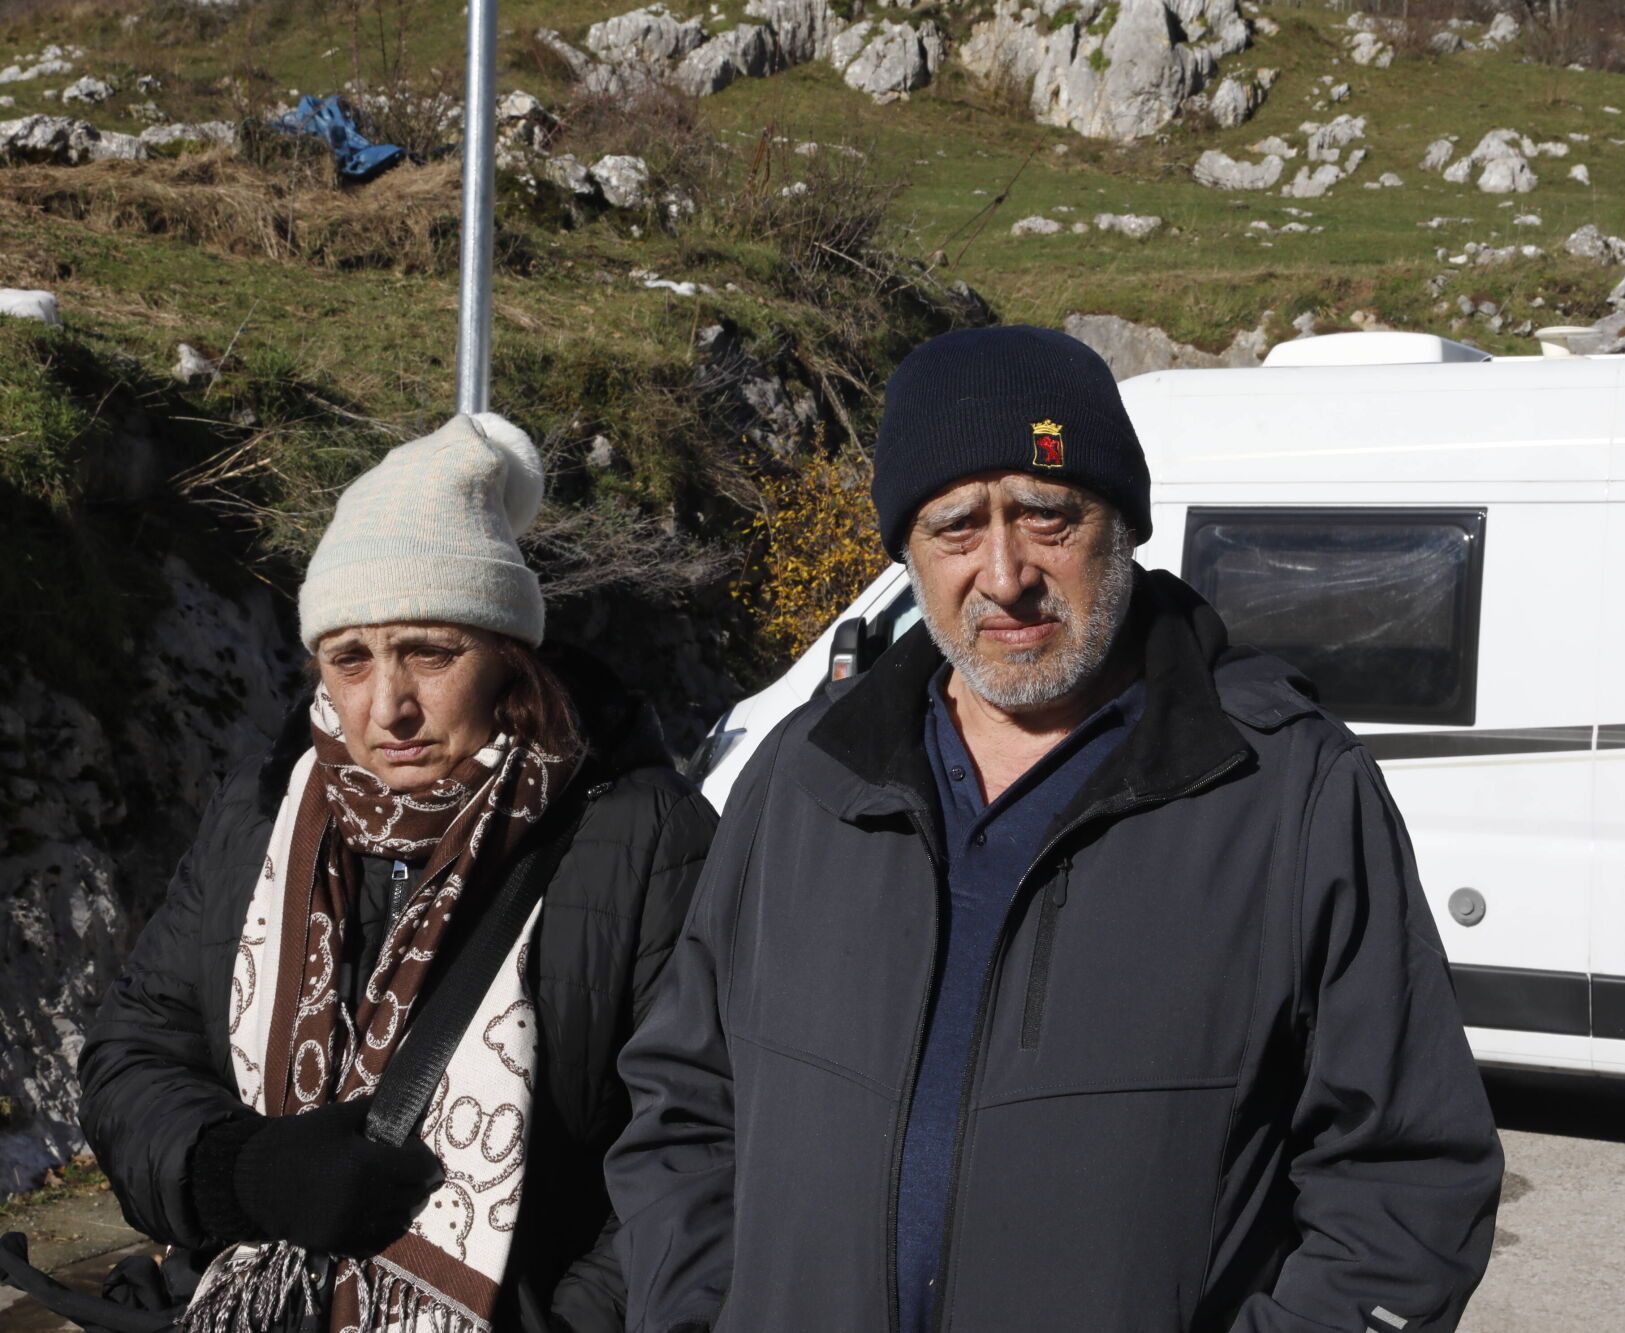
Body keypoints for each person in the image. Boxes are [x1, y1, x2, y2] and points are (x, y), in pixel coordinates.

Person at [607, 327, 1503, 1333]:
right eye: (953, 527)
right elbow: (684, 1105)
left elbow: (1406, 1180)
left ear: (1121, 523)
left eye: (1045, 516)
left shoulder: (1286, 791)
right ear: (905, 552)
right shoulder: (807, 777)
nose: (1003, 573)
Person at [80, 414, 717, 1333]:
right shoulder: (260, 817)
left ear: (507, 652)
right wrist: (242, 1170)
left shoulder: (646, 837)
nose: (390, 708)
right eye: (350, 659)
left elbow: (702, 1145)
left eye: (430, 651)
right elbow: (129, 1053)